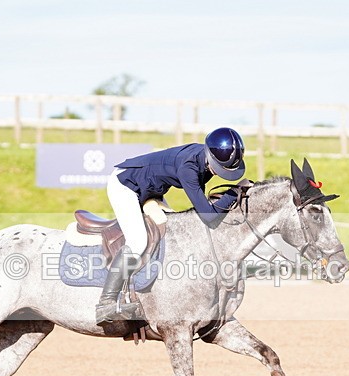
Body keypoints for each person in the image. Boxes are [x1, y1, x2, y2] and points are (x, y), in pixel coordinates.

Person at [96, 127, 247, 325]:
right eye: (218, 168)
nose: (218, 174)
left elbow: (202, 210)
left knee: (172, 235)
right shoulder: (189, 168)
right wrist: (234, 191)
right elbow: (208, 216)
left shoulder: (205, 161)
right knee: (138, 242)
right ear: (209, 154)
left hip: (150, 189)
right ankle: (105, 303)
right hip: (125, 186)